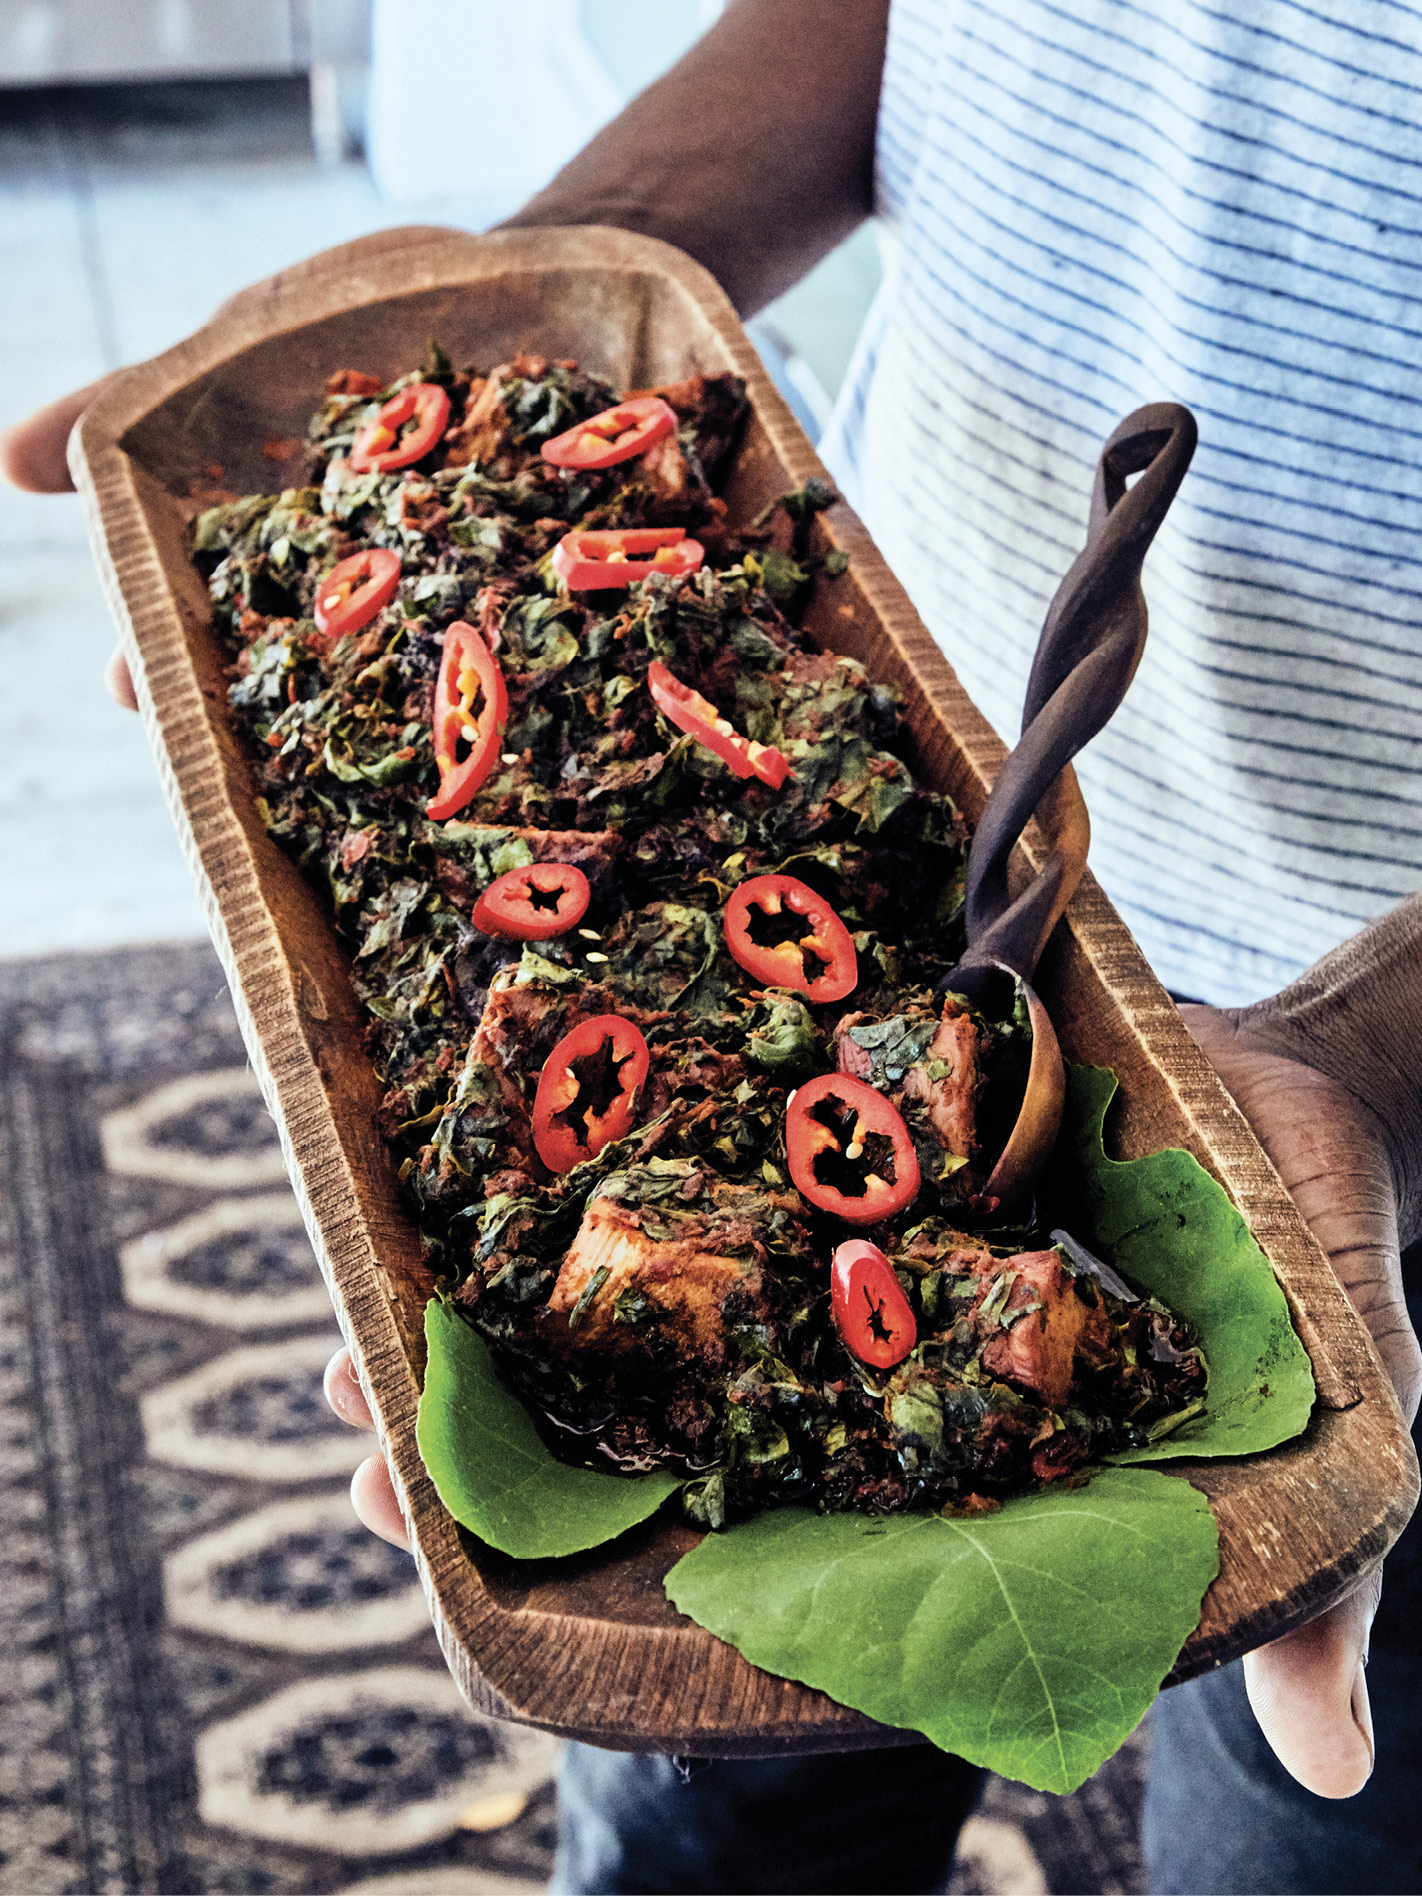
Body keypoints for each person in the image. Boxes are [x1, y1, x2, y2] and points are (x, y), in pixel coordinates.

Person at [7, 3, 1422, 1889]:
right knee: (711, 1833)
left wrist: (1381, 1057)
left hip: (1370, 1101)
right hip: (901, 720)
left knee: (1296, 1814)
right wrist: (556, 287)